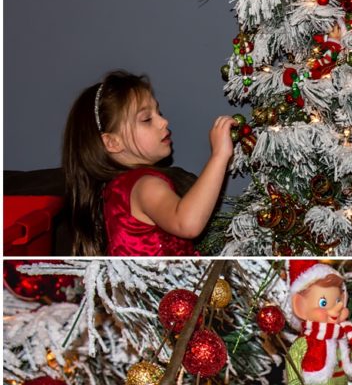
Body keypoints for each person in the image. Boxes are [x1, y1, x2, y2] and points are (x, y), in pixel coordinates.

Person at [62, 70, 235, 255]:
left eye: (158, 112)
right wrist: (219, 155)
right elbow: (188, 223)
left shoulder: (116, 190)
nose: (163, 121)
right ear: (112, 142)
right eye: (146, 119)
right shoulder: (145, 185)